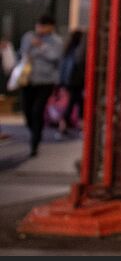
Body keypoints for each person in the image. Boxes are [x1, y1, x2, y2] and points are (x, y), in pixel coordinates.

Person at [20, 15, 63, 157]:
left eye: (44, 26)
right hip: (28, 79)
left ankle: (35, 143)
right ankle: (35, 131)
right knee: (27, 111)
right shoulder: (28, 37)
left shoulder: (56, 41)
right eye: (39, 25)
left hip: (46, 81)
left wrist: (41, 47)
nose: (41, 28)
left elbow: (55, 56)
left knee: (38, 111)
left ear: (51, 27)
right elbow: (24, 53)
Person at [58, 30, 86, 135]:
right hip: (77, 81)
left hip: (68, 81)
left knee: (75, 102)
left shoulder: (67, 49)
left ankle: (64, 125)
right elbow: (80, 63)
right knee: (77, 103)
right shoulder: (80, 50)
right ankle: (80, 125)